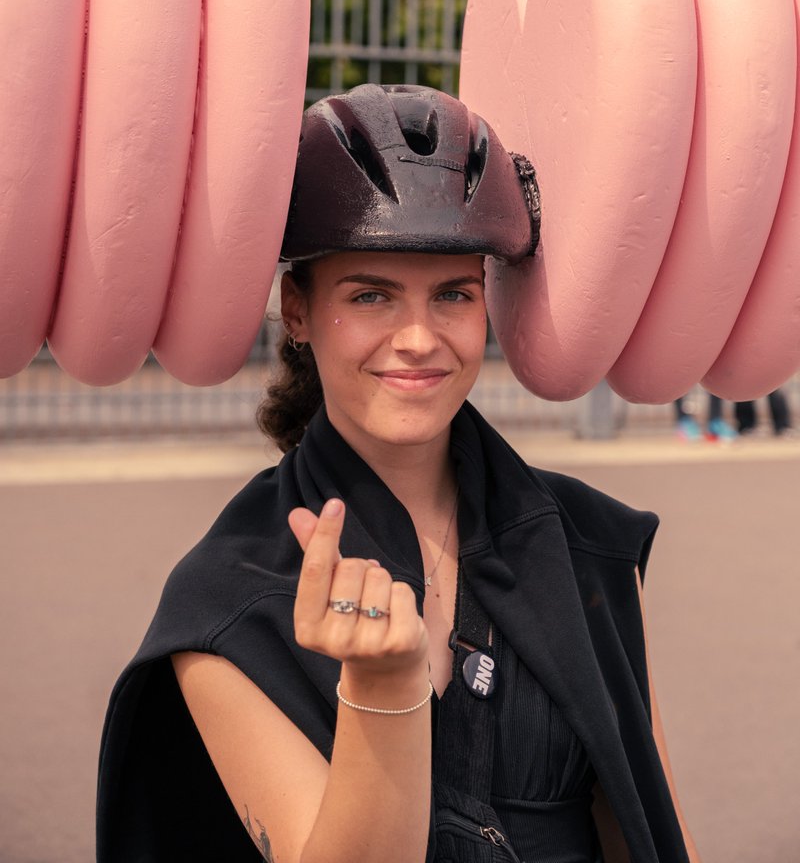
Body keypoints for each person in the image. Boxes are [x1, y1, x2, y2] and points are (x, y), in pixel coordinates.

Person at [97, 84, 700, 862]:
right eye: (372, 295)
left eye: (453, 293)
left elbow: (647, 827)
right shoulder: (227, 595)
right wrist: (381, 691)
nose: (418, 338)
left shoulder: (589, 543)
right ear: (300, 310)